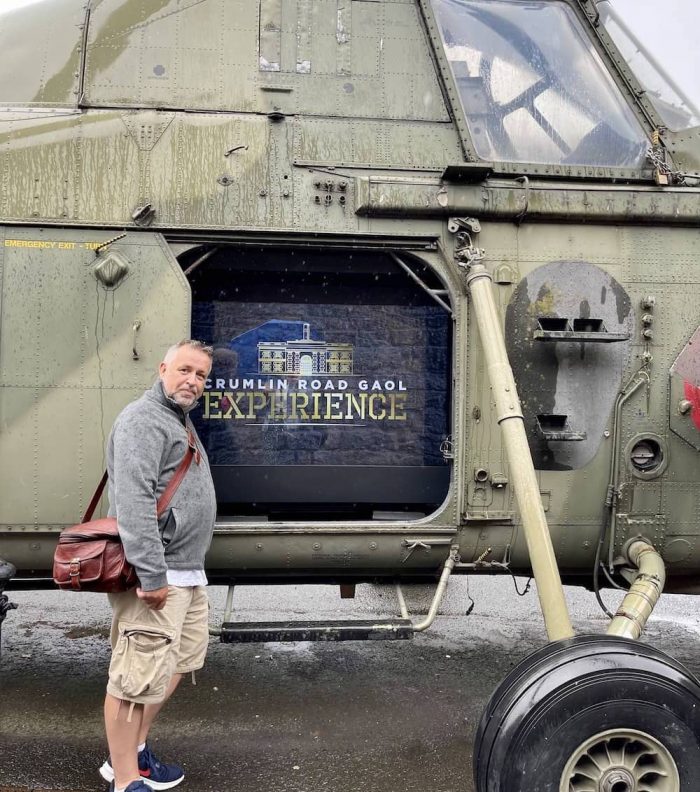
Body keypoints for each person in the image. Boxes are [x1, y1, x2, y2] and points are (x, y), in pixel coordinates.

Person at [99, 340, 217, 792]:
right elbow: (132, 501)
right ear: (162, 368)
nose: (193, 381)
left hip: (187, 573)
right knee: (133, 678)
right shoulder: (143, 420)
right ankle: (125, 778)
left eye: (202, 375)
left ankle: (136, 753)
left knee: (176, 665)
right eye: (185, 370)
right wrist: (151, 574)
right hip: (159, 575)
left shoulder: (176, 420)